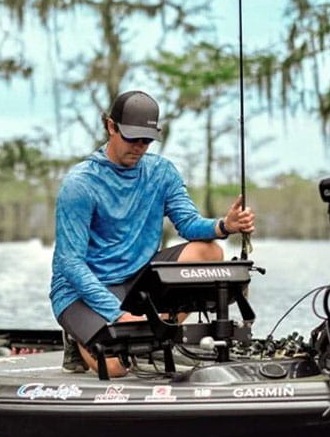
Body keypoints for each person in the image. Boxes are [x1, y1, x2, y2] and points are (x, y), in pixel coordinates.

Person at [49, 90, 255, 377]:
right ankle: (77, 338)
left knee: (209, 252)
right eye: (132, 138)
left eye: (146, 140)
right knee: (115, 369)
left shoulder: (162, 172)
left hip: (137, 281)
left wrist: (224, 226)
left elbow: (188, 223)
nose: (139, 147)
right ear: (111, 127)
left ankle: (152, 335)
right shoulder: (80, 184)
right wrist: (117, 314)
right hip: (83, 290)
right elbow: (69, 263)